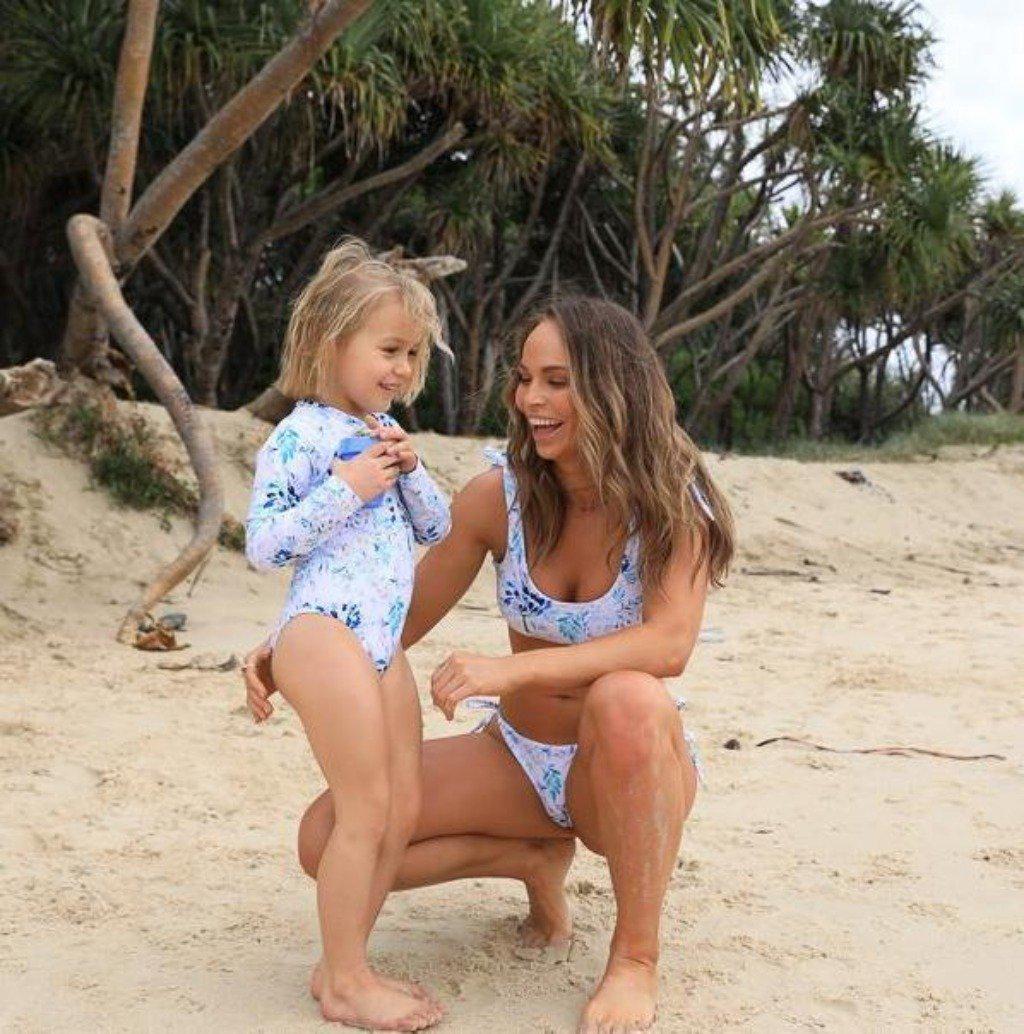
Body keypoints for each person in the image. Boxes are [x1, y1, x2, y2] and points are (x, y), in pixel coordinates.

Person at [244, 294, 735, 1033]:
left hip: (623, 771)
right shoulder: (497, 495)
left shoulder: (673, 503)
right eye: (524, 377)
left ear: (615, 386)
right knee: (326, 841)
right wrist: (291, 641)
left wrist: (513, 673)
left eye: (558, 381)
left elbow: (669, 647)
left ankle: (635, 958)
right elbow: (393, 617)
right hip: (518, 759)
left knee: (629, 698)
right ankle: (532, 859)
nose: (531, 399)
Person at [245, 238, 452, 1030]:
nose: (401, 369)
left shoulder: (385, 431)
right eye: (388, 350)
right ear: (331, 339)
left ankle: (345, 962)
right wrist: (345, 488)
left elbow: (432, 526)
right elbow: (266, 547)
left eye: (411, 355)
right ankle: (345, 984)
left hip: (381, 640)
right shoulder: (297, 438)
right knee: (364, 804)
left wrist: (409, 465)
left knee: (403, 806)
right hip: (322, 629)